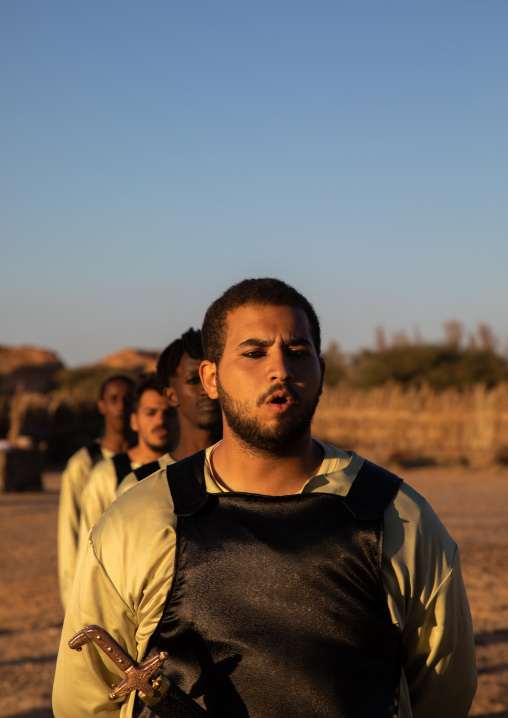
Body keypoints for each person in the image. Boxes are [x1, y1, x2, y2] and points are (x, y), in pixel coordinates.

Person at [53, 278, 477, 718]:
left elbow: (445, 695)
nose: (281, 370)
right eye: (254, 353)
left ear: (321, 372)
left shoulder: (397, 517)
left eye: (298, 352)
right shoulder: (140, 519)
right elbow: (86, 700)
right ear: (211, 378)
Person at [57, 374, 134, 608]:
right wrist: (73, 599)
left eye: (128, 399)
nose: (121, 406)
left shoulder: (151, 461)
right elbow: (69, 534)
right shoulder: (83, 464)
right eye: (114, 399)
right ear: (102, 405)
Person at [116, 328, 222, 497]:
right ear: (171, 396)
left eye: (214, 377)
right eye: (194, 380)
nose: (206, 389)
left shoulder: (259, 475)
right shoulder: (140, 487)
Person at [77, 373, 178, 547]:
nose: (160, 420)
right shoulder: (105, 475)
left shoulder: (187, 473)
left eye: (168, 413)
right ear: (134, 420)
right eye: (151, 413)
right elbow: (89, 547)